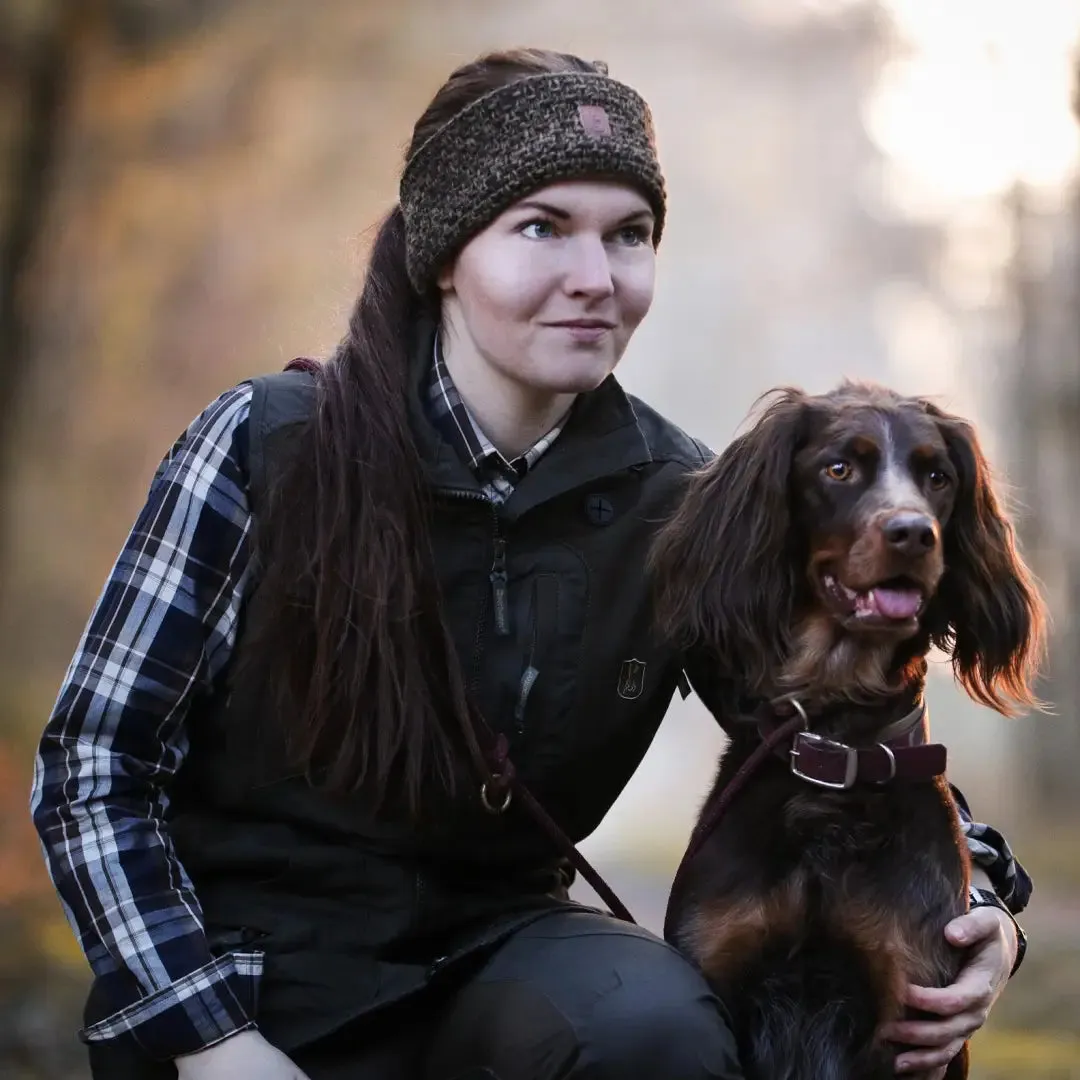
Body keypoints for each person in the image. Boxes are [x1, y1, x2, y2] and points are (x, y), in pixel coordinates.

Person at [30, 48, 1030, 1080]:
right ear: (446, 253)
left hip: (502, 962)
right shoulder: (262, 443)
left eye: (629, 235)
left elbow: (825, 742)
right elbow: (95, 766)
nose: (594, 279)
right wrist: (210, 1039)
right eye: (542, 228)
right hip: (248, 973)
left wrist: (987, 905)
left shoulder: (676, 505)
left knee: (656, 1030)